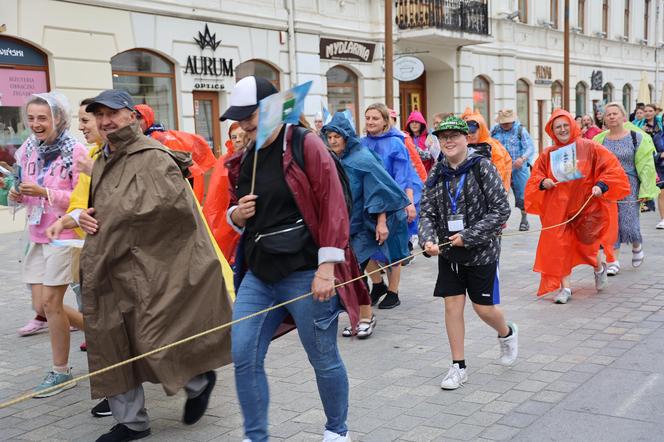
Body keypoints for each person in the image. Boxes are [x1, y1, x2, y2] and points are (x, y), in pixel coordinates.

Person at [63, 89, 234, 442]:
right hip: (110, 264)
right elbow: (98, 205)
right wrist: (81, 214)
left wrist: (111, 216)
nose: (106, 121)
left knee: (154, 336)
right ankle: (132, 422)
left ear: (132, 116)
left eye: (113, 113)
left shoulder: (152, 155)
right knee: (112, 338)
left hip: (151, 266)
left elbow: (171, 211)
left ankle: (198, 380)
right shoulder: (105, 157)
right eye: (100, 115)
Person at [223, 76, 357, 442]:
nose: (243, 125)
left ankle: (336, 430)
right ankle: (256, 436)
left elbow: (334, 205)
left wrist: (327, 268)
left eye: (249, 116)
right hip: (259, 274)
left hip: (306, 271)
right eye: (238, 118)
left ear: (271, 108)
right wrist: (236, 216)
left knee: (323, 358)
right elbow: (232, 212)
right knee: (244, 353)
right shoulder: (244, 157)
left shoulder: (305, 143)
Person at [419, 116, 517, 390]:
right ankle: (458, 366)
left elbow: (501, 210)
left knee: (484, 309)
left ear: (467, 139)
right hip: (450, 254)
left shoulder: (482, 167)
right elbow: (426, 211)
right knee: (452, 306)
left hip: (481, 252)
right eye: (443, 137)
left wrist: (468, 236)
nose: (448, 141)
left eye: (454, 136)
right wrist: (427, 241)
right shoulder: (437, 172)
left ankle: (506, 333)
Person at [8, 92, 87, 397]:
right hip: (38, 233)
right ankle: (102, 334)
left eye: (42, 118)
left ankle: (61, 372)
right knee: (41, 305)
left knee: (52, 305)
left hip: (66, 235)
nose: (35, 124)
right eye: (31, 118)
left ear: (58, 118)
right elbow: (23, 187)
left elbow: (82, 198)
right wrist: (18, 193)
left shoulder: (75, 151)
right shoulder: (28, 149)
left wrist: (44, 191)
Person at [525, 109, 630, 303]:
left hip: (586, 208)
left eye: (566, 125)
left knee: (588, 248)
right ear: (552, 131)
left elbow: (611, 167)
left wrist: (601, 185)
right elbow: (535, 177)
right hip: (559, 211)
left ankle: (599, 268)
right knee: (560, 247)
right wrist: (543, 182)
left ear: (573, 126)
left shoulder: (590, 147)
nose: (563, 130)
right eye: (558, 127)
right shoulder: (548, 154)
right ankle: (565, 288)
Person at [322, 111, 410, 339]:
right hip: (344, 227)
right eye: (329, 137)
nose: (332, 141)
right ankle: (355, 316)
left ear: (346, 137)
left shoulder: (362, 158)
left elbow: (379, 190)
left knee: (354, 274)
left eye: (336, 137)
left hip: (363, 227)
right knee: (347, 274)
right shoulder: (335, 158)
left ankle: (365, 317)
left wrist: (381, 222)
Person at [363, 103, 422, 308]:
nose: (370, 122)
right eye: (368, 117)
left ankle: (393, 291)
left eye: (375, 118)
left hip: (393, 202)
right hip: (368, 204)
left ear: (385, 121)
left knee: (393, 249)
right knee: (363, 248)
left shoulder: (396, 143)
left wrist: (408, 202)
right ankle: (377, 284)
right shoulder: (361, 143)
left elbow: (402, 175)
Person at [593, 102, 660, 274]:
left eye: (615, 113)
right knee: (610, 222)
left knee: (629, 223)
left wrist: (646, 189)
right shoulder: (599, 140)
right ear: (604, 119)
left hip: (630, 184)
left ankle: (636, 244)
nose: (612, 117)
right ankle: (613, 260)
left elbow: (646, 165)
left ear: (623, 116)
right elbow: (592, 163)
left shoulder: (636, 137)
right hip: (607, 186)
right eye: (608, 114)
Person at [134, 104, 216, 202]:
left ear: (147, 119)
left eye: (139, 118)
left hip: (183, 179)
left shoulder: (155, 138)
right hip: (183, 177)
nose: (135, 122)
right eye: (133, 118)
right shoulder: (166, 134)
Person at [203, 122, 245, 264]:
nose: (238, 140)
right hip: (227, 218)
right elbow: (215, 196)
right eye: (234, 137)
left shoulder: (256, 157)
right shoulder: (224, 161)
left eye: (241, 135)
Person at [491, 109, 535, 231]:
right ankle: (500, 221)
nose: (505, 125)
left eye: (507, 122)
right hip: (500, 169)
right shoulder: (494, 130)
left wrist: (522, 158)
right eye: (503, 122)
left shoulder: (520, 130)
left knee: (522, 195)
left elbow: (530, 148)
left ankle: (524, 219)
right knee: (498, 196)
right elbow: (488, 144)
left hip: (518, 169)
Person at [461, 108, 512, 191]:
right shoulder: (463, 145)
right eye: (467, 132)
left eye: (473, 132)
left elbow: (500, 171)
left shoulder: (492, 147)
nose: (470, 135)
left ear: (481, 129)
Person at [389, 109, 428, 182]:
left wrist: (424, 181)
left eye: (417, 122)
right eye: (412, 122)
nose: (414, 124)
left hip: (420, 176)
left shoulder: (428, 137)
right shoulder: (404, 137)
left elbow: (426, 157)